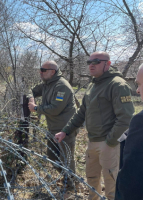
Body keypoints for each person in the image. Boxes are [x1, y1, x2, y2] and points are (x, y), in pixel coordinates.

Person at [55, 52, 134, 200]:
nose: (91, 65)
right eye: (89, 62)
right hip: (92, 142)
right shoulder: (92, 84)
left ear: (108, 63)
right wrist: (65, 131)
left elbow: (125, 118)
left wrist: (110, 141)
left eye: (96, 61)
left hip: (109, 144)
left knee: (111, 184)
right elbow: (81, 112)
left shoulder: (117, 84)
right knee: (92, 179)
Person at [27, 60, 78, 189]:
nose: (40, 72)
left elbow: (55, 109)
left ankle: (70, 186)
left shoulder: (61, 86)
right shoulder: (47, 84)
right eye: (40, 69)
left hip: (65, 129)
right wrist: (31, 99)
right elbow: (30, 90)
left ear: (52, 72)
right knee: (52, 156)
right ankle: (66, 178)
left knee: (66, 158)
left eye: (43, 70)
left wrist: (36, 108)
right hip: (53, 128)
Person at [115, 64, 143, 200]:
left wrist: (111, 138)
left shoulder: (140, 121)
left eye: (139, 84)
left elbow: (132, 179)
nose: (137, 90)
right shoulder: (93, 86)